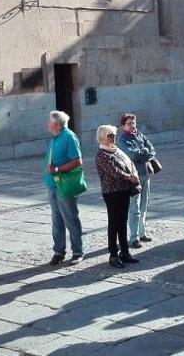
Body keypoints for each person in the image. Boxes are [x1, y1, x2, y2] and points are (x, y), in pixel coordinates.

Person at [95, 125, 141, 268]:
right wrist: (130, 177)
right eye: (110, 135)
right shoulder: (102, 154)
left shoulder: (116, 150)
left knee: (122, 222)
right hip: (112, 192)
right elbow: (114, 172)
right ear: (102, 137)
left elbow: (129, 163)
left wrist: (133, 174)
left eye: (114, 135)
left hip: (124, 190)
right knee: (114, 223)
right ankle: (113, 255)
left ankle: (125, 252)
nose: (113, 138)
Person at [43, 111, 85, 265]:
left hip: (65, 184)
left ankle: (78, 252)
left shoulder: (69, 137)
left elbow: (78, 161)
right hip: (53, 184)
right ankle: (59, 251)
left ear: (55, 124)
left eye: (49, 122)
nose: (47, 124)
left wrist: (56, 169)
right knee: (57, 220)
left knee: (71, 219)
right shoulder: (55, 137)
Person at [117, 113, 156, 249]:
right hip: (133, 178)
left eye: (134, 123)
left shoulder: (140, 135)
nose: (133, 125)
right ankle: (134, 237)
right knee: (135, 208)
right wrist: (145, 152)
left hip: (145, 175)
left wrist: (144, 152)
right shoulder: (122, 140)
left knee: (144, 206)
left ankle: (142, 232)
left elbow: (152, 150)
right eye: (129, 123)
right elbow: (132, 155)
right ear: (123, 126)